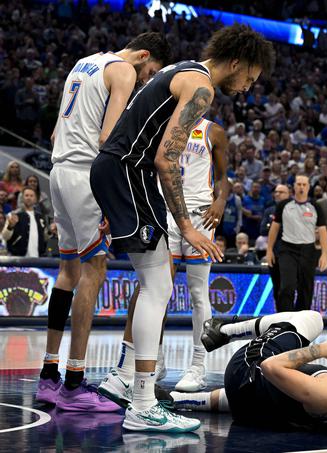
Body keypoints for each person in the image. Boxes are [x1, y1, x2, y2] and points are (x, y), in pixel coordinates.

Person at [90, 24, 274, 432]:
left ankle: (126, 382)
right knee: (158, 286)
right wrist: (188, 226)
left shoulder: (181, 68)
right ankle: (140, 402)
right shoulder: (202, 87)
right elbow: (165, 159)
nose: (247, 88)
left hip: (118, 172)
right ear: (238, 63)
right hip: (128, 172)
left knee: (155, 284)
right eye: (250, 79)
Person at [34, 32, 171, 412]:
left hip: (58, 172)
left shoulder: (84, 62)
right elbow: (108, 138)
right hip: (83, 175)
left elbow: (55, 131)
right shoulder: (123, 69)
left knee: (68, 271)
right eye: (150, 72)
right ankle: (75, 383)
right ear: (143, 55)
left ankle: (49, 377)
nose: (146, 80)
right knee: (94, 270)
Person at [98, 117, 229, 401]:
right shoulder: (162, 126)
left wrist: (221, 200)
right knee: (159, 289)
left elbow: (222, 179)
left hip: (201, 215)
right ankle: (155, 362)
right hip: (165, 213)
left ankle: (197, 366)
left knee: (198, 292)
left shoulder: (213, 131)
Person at [170, 311, 327, 437]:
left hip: (245, 370)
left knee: (311, 320)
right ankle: (177, 400)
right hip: (248, 403)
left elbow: (271, 367)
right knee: (271, 392)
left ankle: (225, 329)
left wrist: (320, 350)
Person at [265, 175, 327, 312]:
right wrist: (269, 250)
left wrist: (324, 254)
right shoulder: (284, 205)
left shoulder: (315, 206)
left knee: (306, 288)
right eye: (298, 184)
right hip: (287, 249)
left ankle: (301, 320)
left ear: (308, 187)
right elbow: (274, 229)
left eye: (304, 184)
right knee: (287, 285)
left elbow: (322, 231)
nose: (301, 187)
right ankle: (284, 318)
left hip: (308, 250)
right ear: (293, 186)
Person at [260, 184, 290, 311]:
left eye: (281, 192)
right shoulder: (269, 211)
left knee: (288, 286)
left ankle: (291, 313)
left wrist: (273, 228)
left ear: (288, 194)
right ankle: (280, 313)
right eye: (276, 192)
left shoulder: (293, 210)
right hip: (274, 252)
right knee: (277, 285)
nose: (278, 194)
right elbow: (262, 230)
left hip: (290, 253)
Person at [2, 187, 47, 257]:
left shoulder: (40, 217)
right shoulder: (13, 214)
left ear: (35, 199)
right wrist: (10, 226)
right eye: (26, 195)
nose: (29, 198)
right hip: (18, 259)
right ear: (22, 198)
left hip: (38, 259)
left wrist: (50, 232)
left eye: (31, 196)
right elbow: (5, 237)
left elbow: (44, 238)